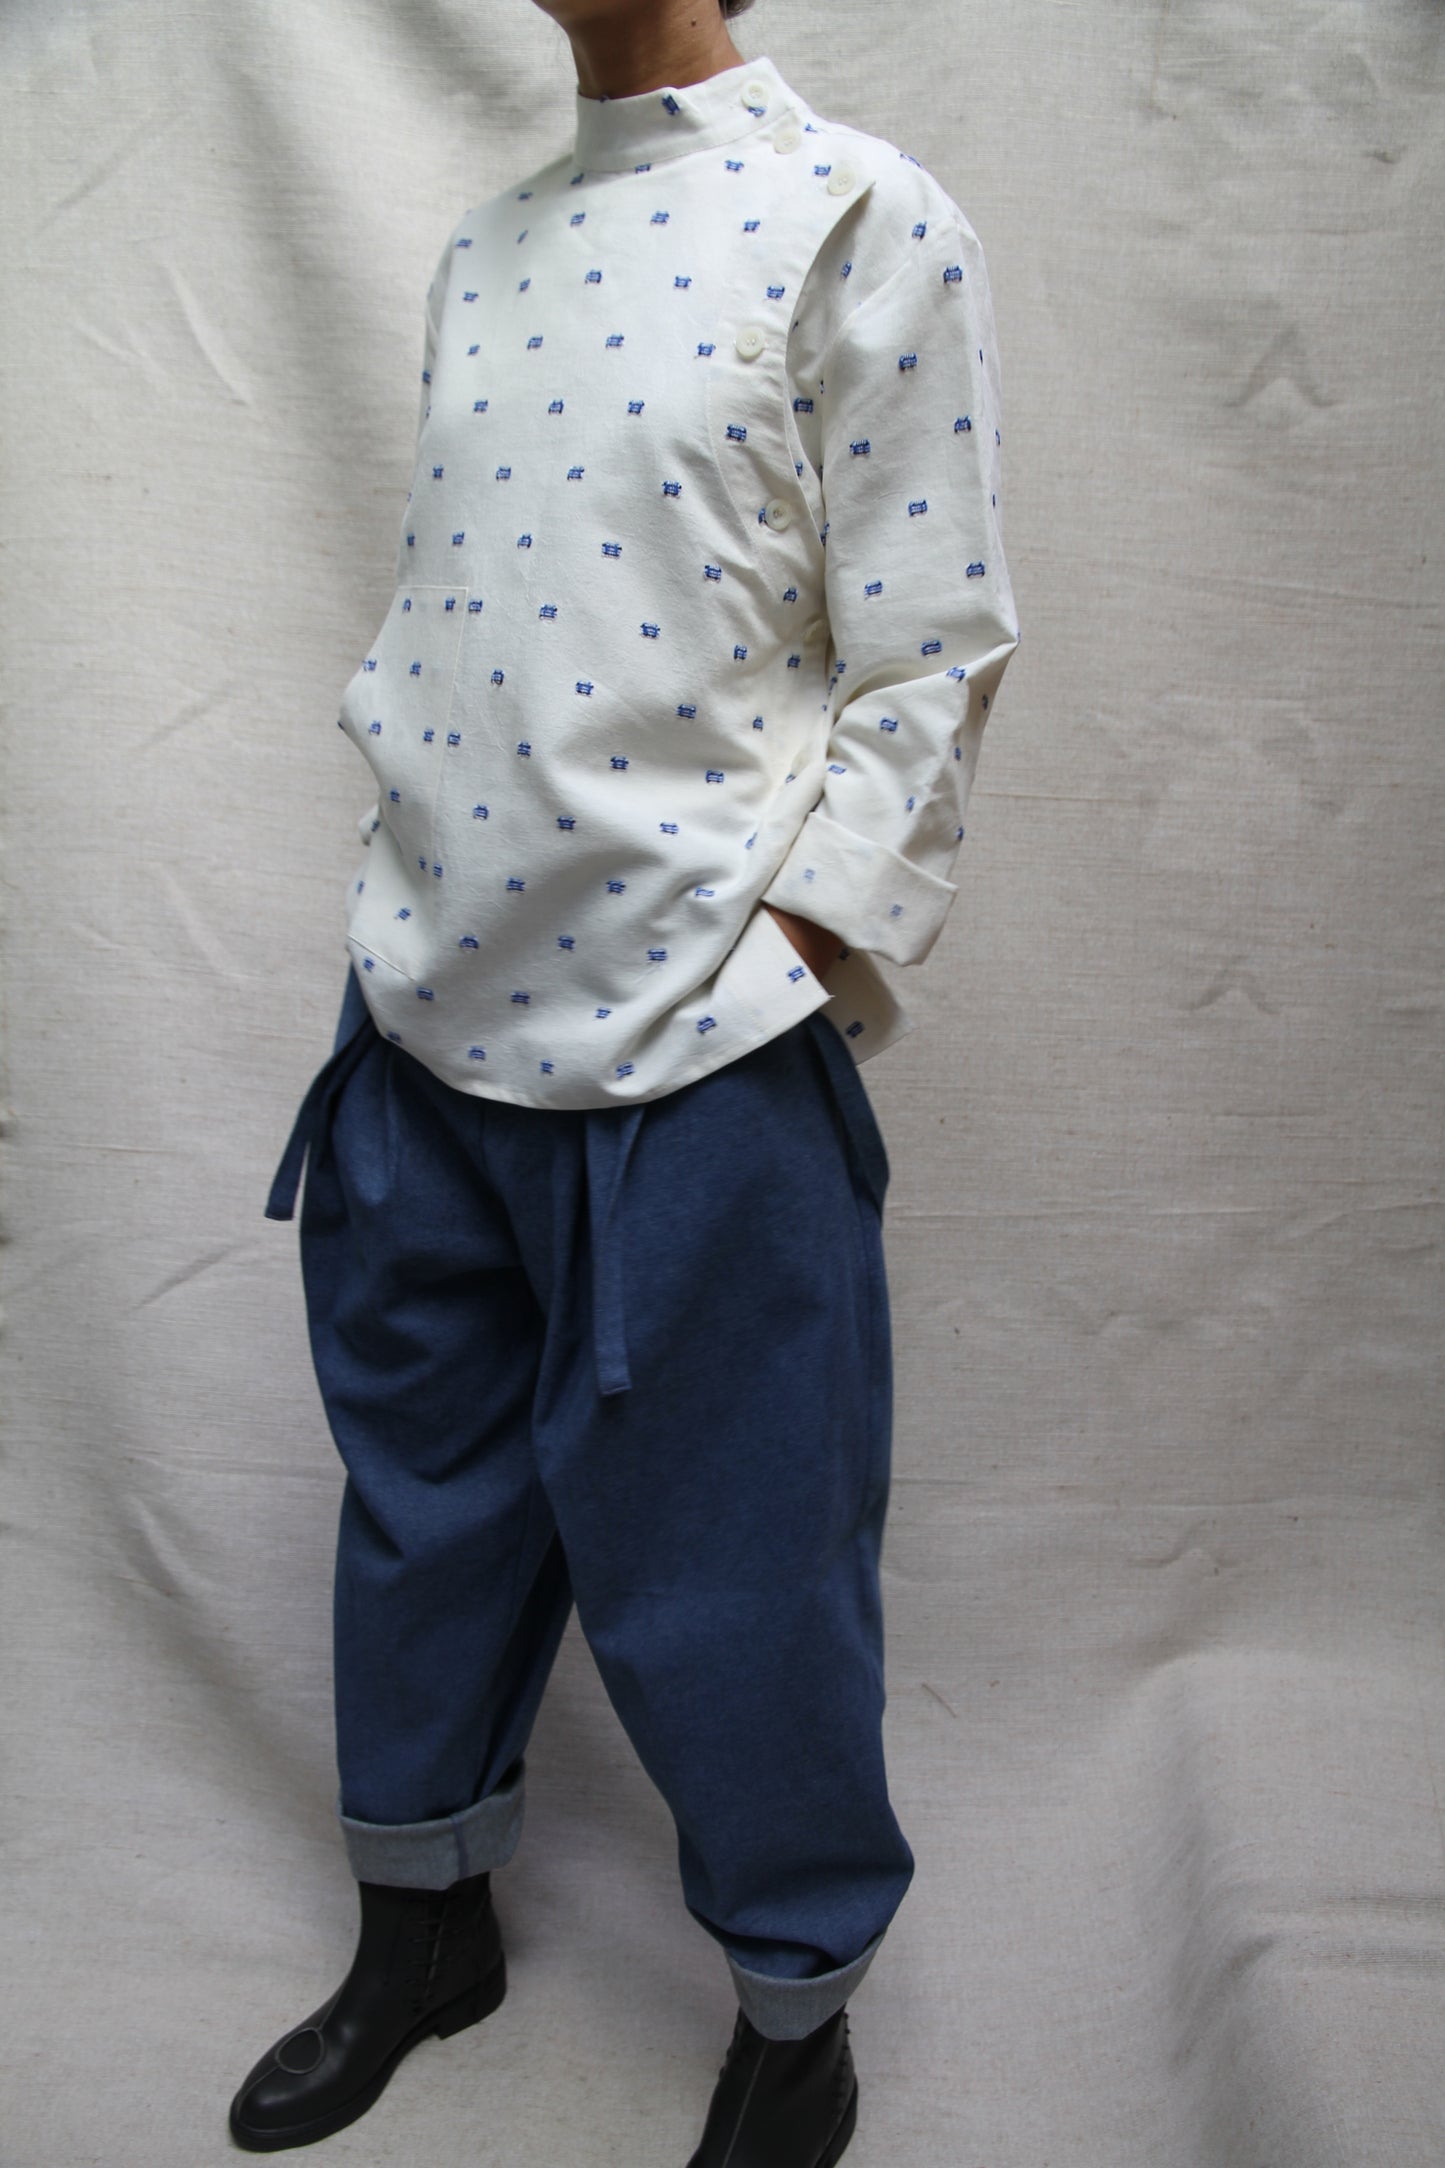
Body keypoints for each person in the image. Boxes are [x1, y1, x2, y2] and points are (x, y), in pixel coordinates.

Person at [228, 0, 1019, 2158]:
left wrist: (799, 953)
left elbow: (934, 638)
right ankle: (424, 1927)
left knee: (739, 1571)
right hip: (424, 1018)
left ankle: (794, 2012)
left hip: (697, 1053)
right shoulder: (491, 244)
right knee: (425, 1514)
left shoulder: (854, 214)